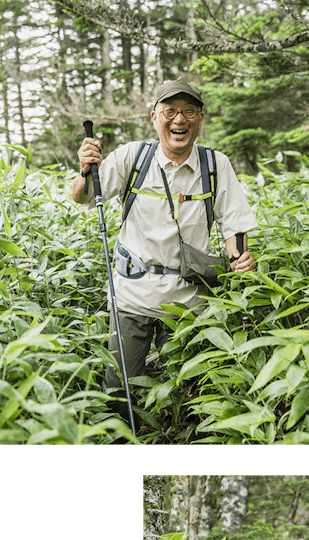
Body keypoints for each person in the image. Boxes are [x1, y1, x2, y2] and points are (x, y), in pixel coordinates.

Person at [72, 77, 258, 427]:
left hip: (190, 299)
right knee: (118, 392)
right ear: (154, 117)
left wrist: (239, 258)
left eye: (189, 111)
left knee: (194, 392)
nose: (179, 120)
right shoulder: (132, 157)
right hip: (132, 295)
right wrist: (85, 170)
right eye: (170, 111)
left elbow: (233, 225)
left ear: (200, 119)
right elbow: (83, 197)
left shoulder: (216, 165)